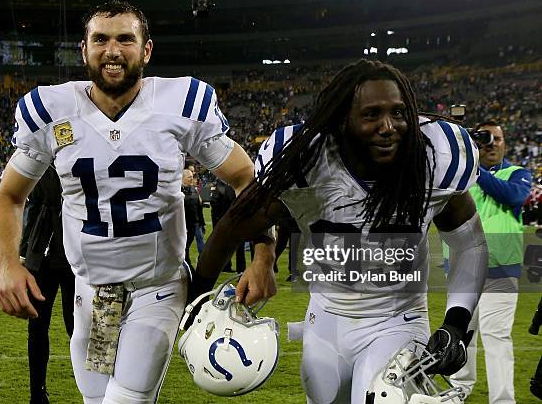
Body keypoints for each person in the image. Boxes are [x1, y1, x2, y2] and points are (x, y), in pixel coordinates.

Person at [0, 0, 273, 404]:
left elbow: (248, 179)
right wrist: (7, 264)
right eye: (101, 39)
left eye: (126, 39)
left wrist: (263, 258)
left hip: (155, 289)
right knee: (95, 399)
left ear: (146, 49)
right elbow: (9, 197)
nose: (113, 50)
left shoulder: (181, 104)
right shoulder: (52, 111)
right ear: (84, 50)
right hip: (90, 292)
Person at [193, 59, 489, 404]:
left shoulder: (434, 158)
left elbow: (470, 244)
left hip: (399, 319)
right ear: (342, 121)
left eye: (399, 112)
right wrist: (199, 297)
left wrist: (456, 323)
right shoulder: (308, 161)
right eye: (371, 114)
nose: (389, 126)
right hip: (326, 322)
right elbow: (234, 224)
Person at [450, 121, 532, 404]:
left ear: (505, 143)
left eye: (498, 138)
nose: (493, 143)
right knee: (462, 334)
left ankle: (502, 400)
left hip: (500, 269)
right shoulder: (461, 178)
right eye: (486, 139)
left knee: (496, 336)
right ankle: (459, 388)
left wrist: (476, 171)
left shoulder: (518, 174)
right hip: (463, 270)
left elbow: (513, 196)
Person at [19, 165, 75, 404]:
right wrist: (24, 251)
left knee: (77, 328)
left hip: (68, 252)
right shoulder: (45, 159)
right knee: (40, 327)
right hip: (51, 250)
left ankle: (93, 391)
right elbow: (32, 204)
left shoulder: (47, 158)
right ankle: (37, 393)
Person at [182, 168, 204, 265]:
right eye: (189, 177)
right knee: (184, 248)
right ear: (182, 178)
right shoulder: (178, 191)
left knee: (189, 246)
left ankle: (189, 266)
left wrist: (202, 223)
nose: (191, 179)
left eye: (192, 177)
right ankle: (188, 266)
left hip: (194, 224)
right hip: (184, 226)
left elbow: (199, 209)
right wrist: (182, 226)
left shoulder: (194, 190)